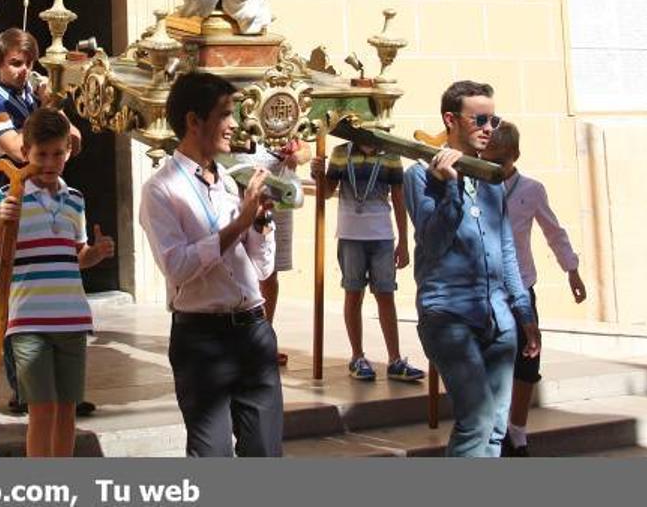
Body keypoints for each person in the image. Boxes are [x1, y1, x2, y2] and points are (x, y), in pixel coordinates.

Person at [139, 71, 282, 456]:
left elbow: (260, 268)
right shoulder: (160, 189)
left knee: (266, 455)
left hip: (252, 330)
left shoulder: (229, 183)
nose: (234, 124)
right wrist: (239, 222)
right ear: (193, 120)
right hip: (202, 339)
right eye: (225, 114)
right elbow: (179, 267)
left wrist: (261, 223)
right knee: (212, 457)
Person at [403, 80, 539, 457]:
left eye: (493, 120)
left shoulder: (491, 177)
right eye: (480, 119)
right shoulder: (420, 175)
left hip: (498, 317)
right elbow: (433, 244)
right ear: (451, 119)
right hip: (449, 315)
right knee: (476, 420)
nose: (488, 129)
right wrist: (449, 189)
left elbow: (506, 250)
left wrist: (523, 311)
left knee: (496, 427)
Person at [0, 108, 115, 457]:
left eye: (58, 153)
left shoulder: (75, 199)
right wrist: (2, 225)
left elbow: (77, 256)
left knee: (67, 410)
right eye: (41, 154)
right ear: (25, 153)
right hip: (28, 321)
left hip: (72, 319)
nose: (50, 162)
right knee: (41, 411)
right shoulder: (8, 196)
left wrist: (96, 253)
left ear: (68, 151)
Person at [0, 28, 91, 417]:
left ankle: (57, 388)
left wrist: (52, 105)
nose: (23, 70)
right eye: (15, 63)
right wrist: (49, 140)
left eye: (28, 63)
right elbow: (19, 154)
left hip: (50, 199)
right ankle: (20, 386)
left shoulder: (32, 97)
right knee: (16, 292)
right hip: (11, 202)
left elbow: (73, 139)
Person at [482, 121, 587, 457]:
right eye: (488, 158)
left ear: (514, 155)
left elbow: (553, 231)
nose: (494, 167)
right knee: (490, 360)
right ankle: (490, 430)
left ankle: (518, 430)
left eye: (500, 161)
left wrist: (571, 269)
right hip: (484, 287)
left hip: (521, 286)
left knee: (527, 361)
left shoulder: (531, 189)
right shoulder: (475, 183)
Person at [311, 140, 425, 383]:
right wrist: (318, 174)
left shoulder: (390, 154)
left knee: (386, 295)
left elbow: (398, 198)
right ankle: (357, 356)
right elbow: (328, 192)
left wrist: (403, 241)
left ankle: (394, 360)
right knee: (353, 293)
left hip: (382, 235)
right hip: (350, 235)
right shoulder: (341, 153)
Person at [230, 138, 309, 366]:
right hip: (239, 197)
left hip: (276, 201)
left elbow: (305, 148)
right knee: (239, 270)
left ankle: (264, 338)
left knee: (270, 272)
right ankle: (240, 340)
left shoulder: (280, 114)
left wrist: (295, 158)